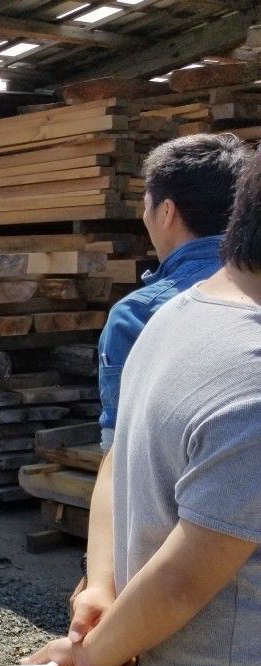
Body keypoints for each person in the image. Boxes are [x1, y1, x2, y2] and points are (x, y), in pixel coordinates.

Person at [22, 148, 261, 666]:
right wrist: (90, 660)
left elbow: (116, 462)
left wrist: (98, 589)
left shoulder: (167, 317)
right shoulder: (254, 372)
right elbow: (185, 576)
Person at [66, 133, 252, 611]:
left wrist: (98, 579)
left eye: (146, 205)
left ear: (166, 211)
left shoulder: (141, 315)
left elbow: (121, 458)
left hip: (163, 577)